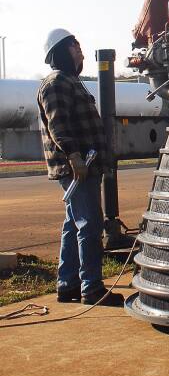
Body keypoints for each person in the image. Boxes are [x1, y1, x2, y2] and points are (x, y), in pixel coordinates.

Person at [37, 29, 123, 306]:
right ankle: (92, 287)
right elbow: (57, 123)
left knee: (73, 224)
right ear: (59, 52)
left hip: (85, 165)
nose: (78, 47)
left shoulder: (72, 81)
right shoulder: (56, 82)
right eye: (72, 44)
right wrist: (74, 156)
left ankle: (68, 284)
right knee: (89, 224)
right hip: (77, 167)